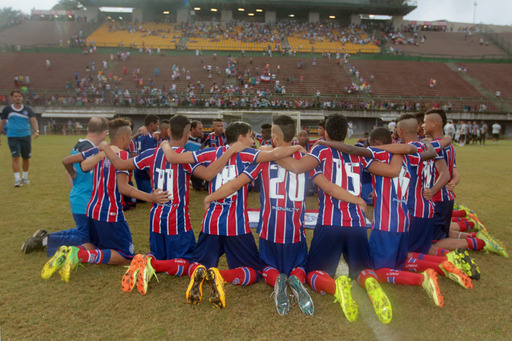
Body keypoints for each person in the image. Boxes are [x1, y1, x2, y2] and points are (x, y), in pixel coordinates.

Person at [274, 114, 408, 323]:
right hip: (357, 224)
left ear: (325, 133)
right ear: (347, 134)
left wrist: (268, 154)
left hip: (330, 223)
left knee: (313, 273)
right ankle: (371, 284)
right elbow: (392, 171)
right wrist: (403, 148)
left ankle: (337, 287)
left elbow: (297, 167)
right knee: (363, 270)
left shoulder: (321, 149)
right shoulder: (358, 153)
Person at [164, 121, 304, 309]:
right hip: (235, 226)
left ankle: (201, 272)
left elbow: (173, 158)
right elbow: (276, 154)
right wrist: (298, 145)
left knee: (197, 264)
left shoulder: (210, 152)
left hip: (211, 223)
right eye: (250, 137)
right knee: (253, 272)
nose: (252, 140)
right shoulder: (248, 154)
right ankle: (220, 276)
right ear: (241, 138)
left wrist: (164, 143)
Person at [100, 115, 245, 294]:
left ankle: (149, 261)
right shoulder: (183, 159)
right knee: (189, 264)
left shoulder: (152, 153)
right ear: (187, 134)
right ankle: (151, 263)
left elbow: (120, 163)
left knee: (159, 252)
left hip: (156, 220)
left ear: (168, 131)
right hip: (177, 222)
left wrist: (105, 147)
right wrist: (230, 151)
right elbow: (208, 174)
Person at [203, 115, 314, 316]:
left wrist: (212, 196)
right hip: (295, 232)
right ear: (295, 135)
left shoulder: (263, 160)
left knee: (266, 268)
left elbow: (235, 184)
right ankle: (296, 278)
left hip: (269, 231)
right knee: (300, 265)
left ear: (275, 137)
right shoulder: (308, 160)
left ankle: (276, 281)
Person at [42, 118, 169, 284]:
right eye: (130, 137)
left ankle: (71, 251)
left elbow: (75, 163)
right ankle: (79, 254)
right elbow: (123, 187)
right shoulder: (121, 156)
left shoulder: (99, 150)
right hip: (109, 212)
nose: (130, 140)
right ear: (124, 137)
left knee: (95, 244)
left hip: (92, 209)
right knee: (125, 254)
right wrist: (150, 197)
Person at [21, 117, 108, 255]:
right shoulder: (90, 149)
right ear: (104, 132)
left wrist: (75, 184)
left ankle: (45, 236)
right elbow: (83, 167)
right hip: (85, 200)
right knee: (87, 239)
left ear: (87, 129)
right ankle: (44, 242)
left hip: (80, 197)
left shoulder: (79, 145)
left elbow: (69, 172)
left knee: (85, 232)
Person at [0, 90, 39, 187]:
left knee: (26, 157)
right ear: (12, 98)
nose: (18, 98)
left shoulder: (28, 110)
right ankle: (17, 179)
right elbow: (2, 122)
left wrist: (36, 131)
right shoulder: (7, 110)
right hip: (13, 137)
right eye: (15, 96)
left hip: (25, 136)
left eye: (19, 96)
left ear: (22, 98)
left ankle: (25, 177)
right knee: (15, 157)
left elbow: (33, 120)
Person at [133, 114, 159, 193]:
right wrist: (152, 177)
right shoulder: (149, 138)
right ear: (152, 124)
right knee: (148, 195)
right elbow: (146, 159)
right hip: (144, 172)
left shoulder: (140, 135)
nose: (158, 126)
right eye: (157, 124)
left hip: (137, 169)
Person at [184, 120, 207, 191]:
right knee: (200, 188)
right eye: (199, 129)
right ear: (192, 129)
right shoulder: (185, 138)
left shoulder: (202, 137)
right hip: (187, 163)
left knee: (202, 188)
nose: (201, 131)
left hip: (198, 163)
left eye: (202, 129)